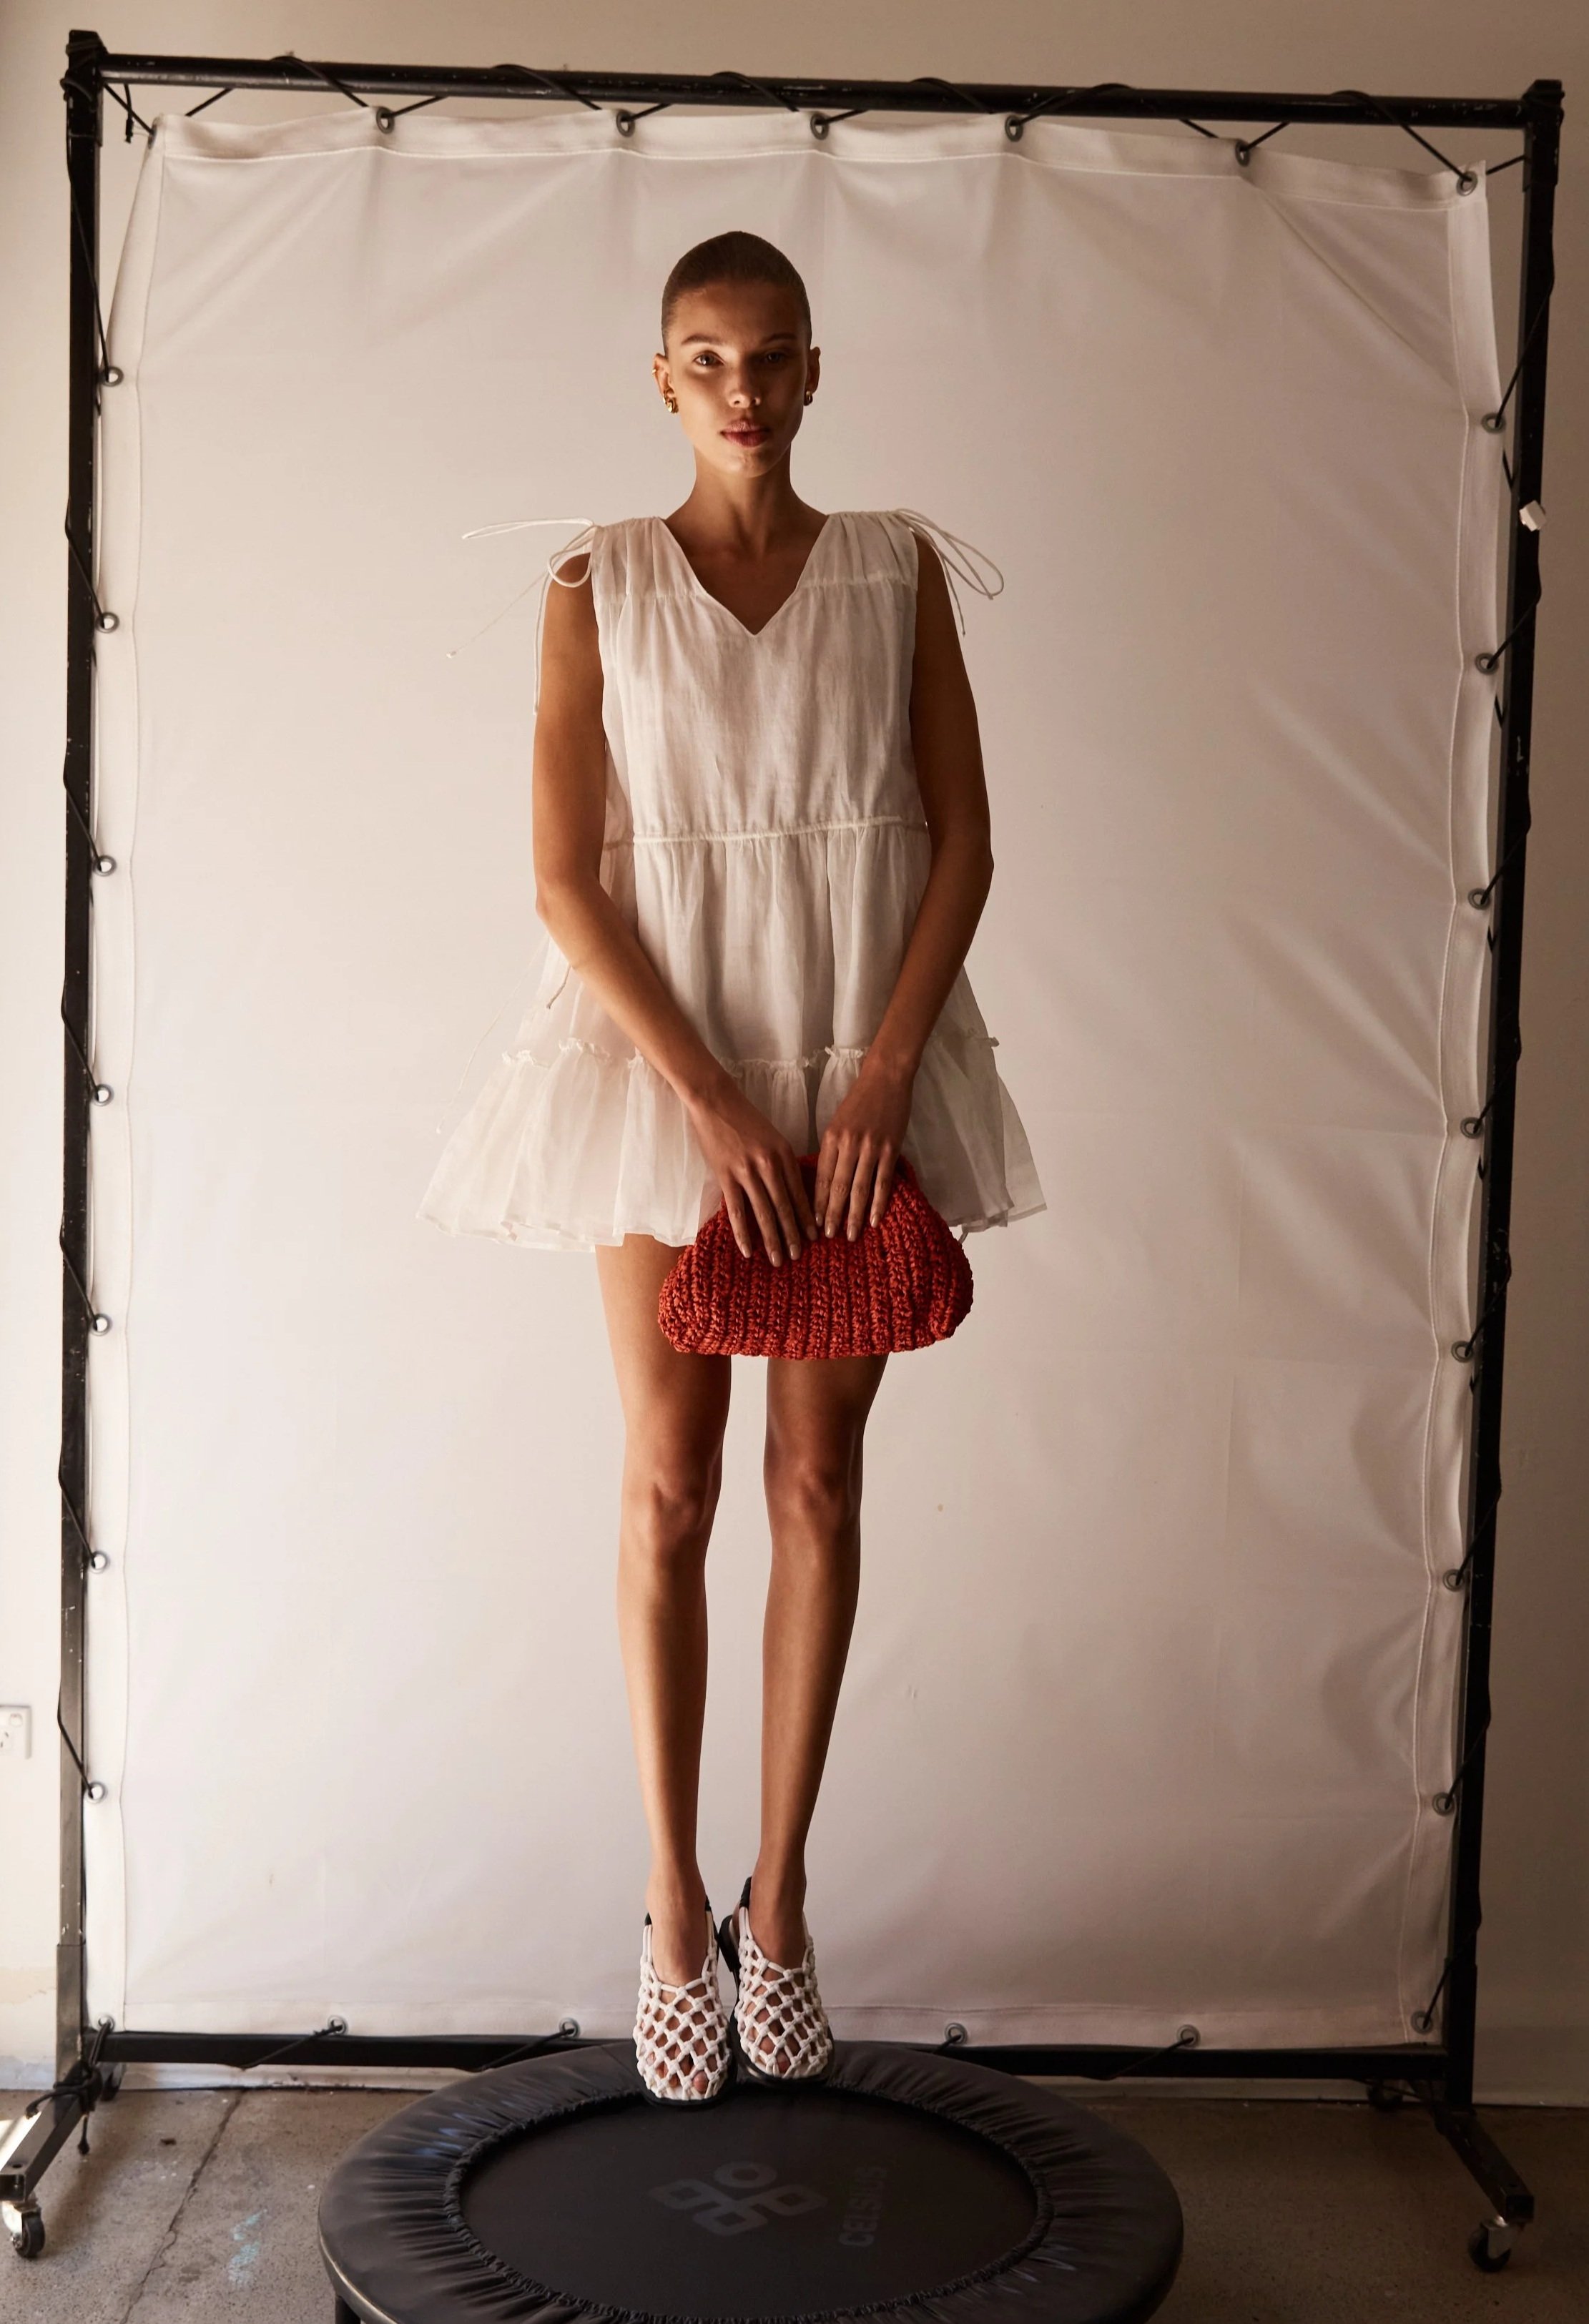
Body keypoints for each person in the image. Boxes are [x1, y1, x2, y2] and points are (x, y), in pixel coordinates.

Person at [421, 230, 1045, 2103]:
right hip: (663, 1078)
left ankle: (783, 1903)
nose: (746, 389)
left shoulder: (899, 570)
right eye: (708, 359)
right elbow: (561, 874)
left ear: (818, 368)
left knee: (820, 1480)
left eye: (773, 356)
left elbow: (963, 846)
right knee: (670, 1487)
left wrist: (875, 1086)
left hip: (856, 1073)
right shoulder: (593, 583)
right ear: (665, 382)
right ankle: (670, 1908)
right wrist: (703, 1099)